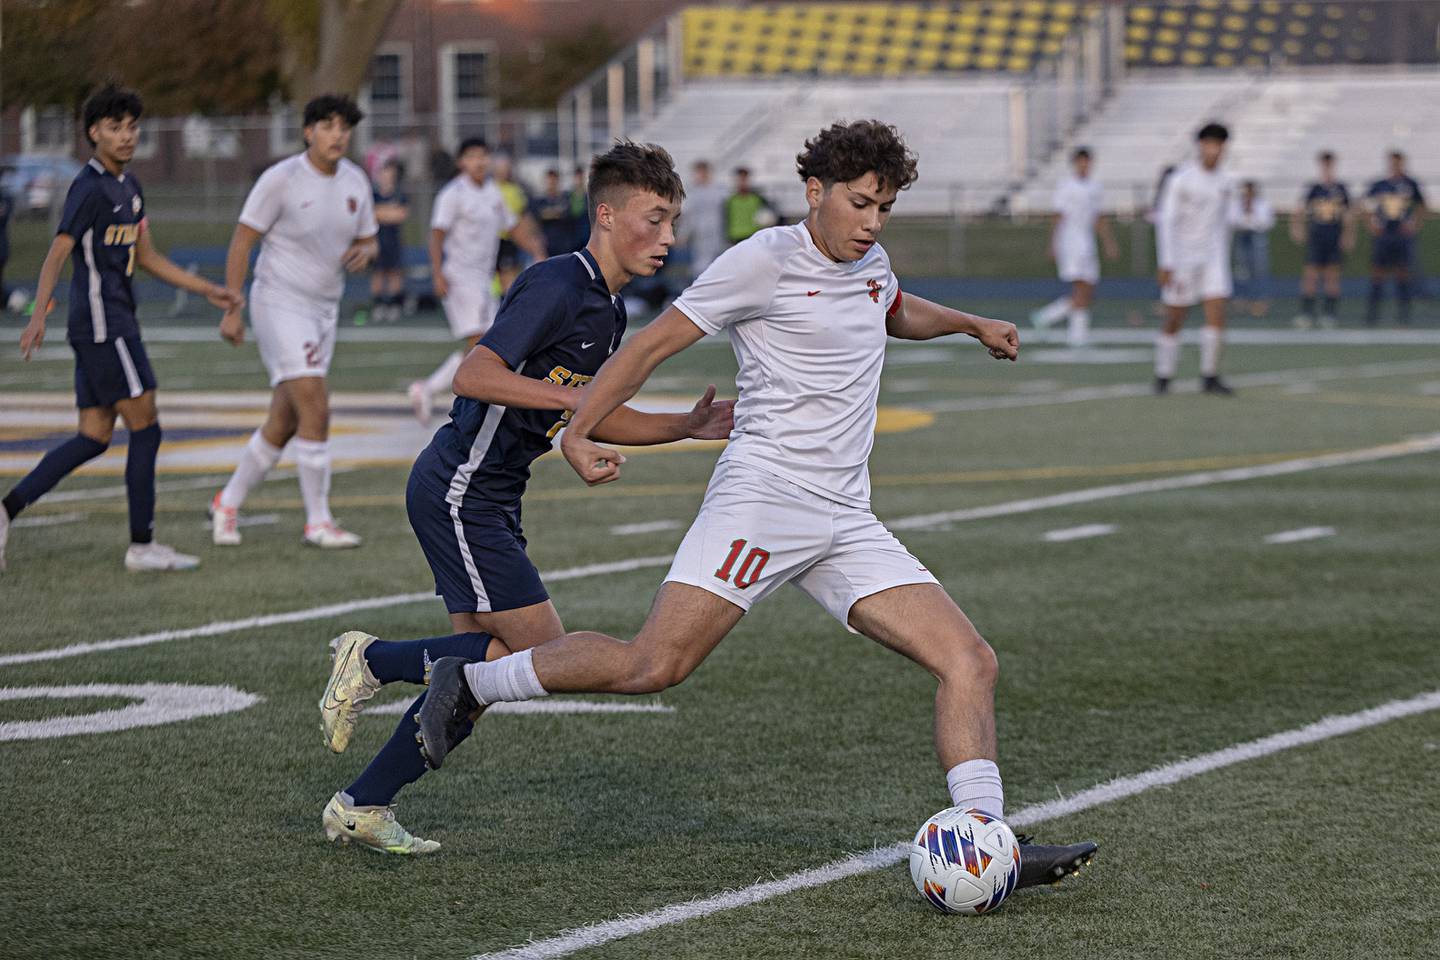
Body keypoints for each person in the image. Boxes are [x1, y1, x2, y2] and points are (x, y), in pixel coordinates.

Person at [416, 120, 1097, 888]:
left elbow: (893, 307)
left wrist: (970, 324)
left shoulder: (869, 262)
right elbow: (645, 349)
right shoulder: (763, 261)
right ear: (816, 192)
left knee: (968, 660)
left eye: (885, 209)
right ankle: (469, 682)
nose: (872, 223)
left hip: (844, 517)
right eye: (861, 204)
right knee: (653, 665)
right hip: (764, 503)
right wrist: (577, 430)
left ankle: (984, 838)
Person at [318, 141, 734, 853]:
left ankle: (362, 802)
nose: (668, 238)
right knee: (539, 657)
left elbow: (589, 409)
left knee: (476, 680)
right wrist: (563, 398)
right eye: (655, 219)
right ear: (605, 215)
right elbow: (475, 373)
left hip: (491, 496)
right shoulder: (556, 284)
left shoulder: (607, 311)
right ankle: (374, 658)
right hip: (461, 489)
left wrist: (684, 427)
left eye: (672, 223)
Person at [2, 83, 239, 572]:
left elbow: (146, 256)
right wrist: (38, 312)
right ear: (94, 133)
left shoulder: (130, 187)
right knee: (146, 429)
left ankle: (5, 510)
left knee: (93, 436)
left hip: (109, 323)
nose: (127, 136)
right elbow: (57, 251)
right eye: (115, 127)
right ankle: (142, 545)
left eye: (132, 127)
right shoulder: (88, 187)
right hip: (104, 325)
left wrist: (204, 289)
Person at [209, 94, 378, 549]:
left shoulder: (356, 180)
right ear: (308, 131)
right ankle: (318, 521)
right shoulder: (280, 179)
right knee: (316, 406)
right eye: (327, 126)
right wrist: (232, 308)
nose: (337, 135)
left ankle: (226, 502)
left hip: (325, 309)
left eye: (344, 127)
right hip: (279, 301)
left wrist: (367, 251)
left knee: (284, 421)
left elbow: (369, 238)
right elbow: (243, 241)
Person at [407, 139, 545, 425]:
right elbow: (437, 234)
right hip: (460, 278)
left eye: (483, 156)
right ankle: (465, 395)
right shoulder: (453, 194)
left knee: (489, 345)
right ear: (461, 162)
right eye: (472, 157)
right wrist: (437, 272)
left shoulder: (493, 193)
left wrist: (536, 250)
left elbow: (513, 226)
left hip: (483, 280)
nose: (480, 162)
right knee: (484, 343)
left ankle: (436, 390)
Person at [1153, 123, 1236, 396]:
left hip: (1213, 258)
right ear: (1200, 146)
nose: (1214, 150)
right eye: (1210, 143)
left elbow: (1228, 221)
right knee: (1175, 316)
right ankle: (1163, 375)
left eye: (1219, 144)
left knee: (1216, 313)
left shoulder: (1225, 181)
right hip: (1182, 259)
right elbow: (1166, 221)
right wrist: (1167, 262)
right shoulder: (1181, 179)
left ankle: (1209, 375)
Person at [1030, 147, 1119, 348]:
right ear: (1075, 163)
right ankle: (1077, 336)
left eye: (1087, 161)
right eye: (1081, 161)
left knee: (1089, 290)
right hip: (1070, 242)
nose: (1084, 165)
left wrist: (1108, 243)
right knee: (1081, 287)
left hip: (1087, 241)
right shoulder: (1066, 186)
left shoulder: (1095, 187)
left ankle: (1047, 316)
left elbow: (1099, 218)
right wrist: (1053, 243)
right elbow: (1058, 216)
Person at [1290, 151, 1352, 329]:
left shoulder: (1341, 188)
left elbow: (1348, 214)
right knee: (1310, 276)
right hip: (1316, 238)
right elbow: (1299, 209)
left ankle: (1329, 314)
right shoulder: (1314, 188)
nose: (1327, 168)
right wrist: (1297, 229)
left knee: (1332, 277)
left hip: (1333, 237)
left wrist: (1348, 235)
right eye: (1324, 164)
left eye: (1329, 164)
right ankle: (1306, 314)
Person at [1364, 150, 1425, 326]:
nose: (1395, 166)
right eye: (1392, 162)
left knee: (1402, 273)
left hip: (1401, 236)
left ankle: (1403, 315)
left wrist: (1414, 224)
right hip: (1384, 236)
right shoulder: (1380, 184)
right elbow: (1365, 205)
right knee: (1377, 273)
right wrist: (1371, 224)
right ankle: (1372, 314)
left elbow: (1422, 205)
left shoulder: (1410, 184)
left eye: (1397, 162)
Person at [491, 152, 546, 294]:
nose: (504, 171)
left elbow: (524, 216)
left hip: (510, 240)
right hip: (491, 240)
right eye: (501, 168)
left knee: (509, 274)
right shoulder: (489, 190)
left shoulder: (515, 190)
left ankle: (506, 303)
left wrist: (536, 236)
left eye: (506, 168)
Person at [1228, 180, 1275, 318]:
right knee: (1241, 270)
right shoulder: (1237, 204)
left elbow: (1267, 221)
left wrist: (1250, 221)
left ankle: (1260, 300)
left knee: (1259, 270)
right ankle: (1241, 299)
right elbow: (1232, 220)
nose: (1247, 194)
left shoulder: (1262, 204)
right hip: (1242, 236)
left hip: (1257, 237)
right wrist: (1247, 221)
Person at [370, 160, 409, 323]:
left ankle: (394, 305)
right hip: (376, 241)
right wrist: (386, 212)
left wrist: (383, 213)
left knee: (394, 273)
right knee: (378, 273)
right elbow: (371, 214)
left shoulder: (400, 194)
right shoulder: (373, 195)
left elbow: (400, 215)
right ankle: (379, 306)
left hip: (393, 241)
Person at [679, 159, 727, 277]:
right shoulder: (692, 192)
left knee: (717, 262)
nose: (701, 175)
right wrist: (683, 234)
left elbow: (726, 212)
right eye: (699, 172)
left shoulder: (719, 191)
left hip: (717, 232)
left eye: (703, 172)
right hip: (699, 234)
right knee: (700, 264)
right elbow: (688, 215)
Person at [527, 168, 582, 256]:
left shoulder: (566, 198)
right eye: (549, 181)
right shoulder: (539, 201)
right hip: (546, 245)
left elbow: (569, 214)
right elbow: (535, 217)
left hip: (564, 245)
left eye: (554, 181)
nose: (551, 184)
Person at [724, 167, 777, 245]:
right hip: (735, 237)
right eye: (740, 179)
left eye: (744, 179)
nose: (742, 182)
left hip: (753, 236)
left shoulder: (758, 199)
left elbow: (769, 215)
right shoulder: (730, 200)